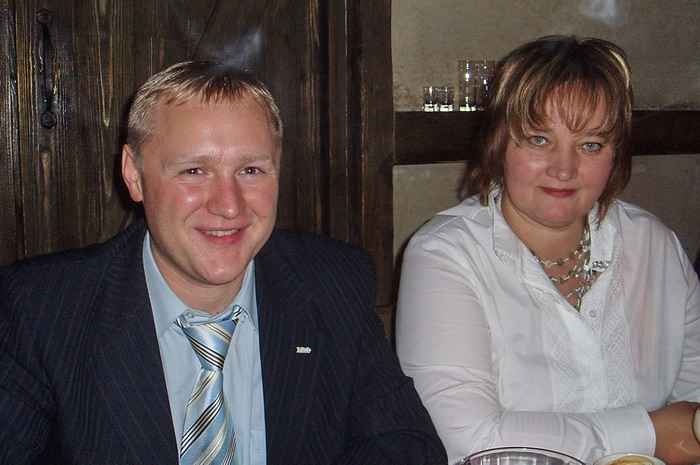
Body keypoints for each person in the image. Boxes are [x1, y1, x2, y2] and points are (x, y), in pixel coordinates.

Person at [0, 61, 447, 465]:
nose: (229, 205)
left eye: (251, 170)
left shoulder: (332, 281)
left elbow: (406, 445)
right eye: (193, 171)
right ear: (134, 174)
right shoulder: (40, 310)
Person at [395, 36, 700, 465]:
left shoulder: (654, 243)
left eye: (591, 145)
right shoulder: (444, 254)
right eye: (539, 140)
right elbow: (465, 440)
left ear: (616, 154)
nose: (564, 169)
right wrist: (649, 432)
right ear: (499, 143)